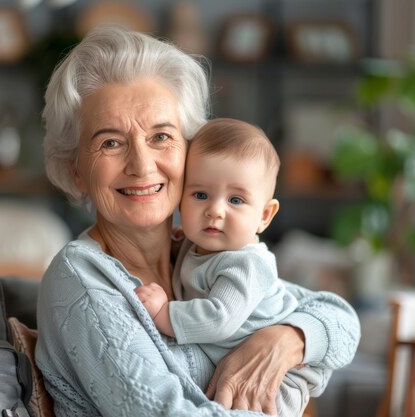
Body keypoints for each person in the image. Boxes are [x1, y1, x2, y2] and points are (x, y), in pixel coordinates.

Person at [35, 25, 361, 417]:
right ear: (75, 170)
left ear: (189, 154)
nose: (142, 165)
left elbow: (341, 320)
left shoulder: (198, 248)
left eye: (161, 137)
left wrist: (285, 339)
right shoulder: (83, 278)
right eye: (111, 142)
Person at [134, 118, 291, 367]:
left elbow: (219, 319)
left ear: (264, 216)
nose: (215, 211)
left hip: (275, 376)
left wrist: (164, 312)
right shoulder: (198, 243)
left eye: (236, 200)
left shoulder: (246, 264)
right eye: (200, 195)